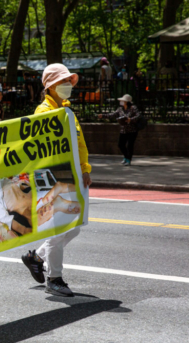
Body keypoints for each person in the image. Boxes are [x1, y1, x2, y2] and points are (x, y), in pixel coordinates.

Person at [21, 63, 92, 297]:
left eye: (68, 81)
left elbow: (79, 144)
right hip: (52, 176)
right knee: (59, 228)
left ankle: (36, 258)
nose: (67, 86)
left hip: (72, 175)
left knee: (74, 228)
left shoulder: (67, 110)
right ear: (49, 86)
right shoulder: (43, 112)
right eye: (62, 82)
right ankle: (54, 278)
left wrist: (85, 168)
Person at [98, 94, 142, 166]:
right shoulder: (120, 109)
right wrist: (103, 115)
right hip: (123, 130)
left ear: (127, 101)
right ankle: (126, 157)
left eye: (123, 100)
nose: (121, 101)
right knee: (120, 145)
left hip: (132, 130)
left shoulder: (133, 108)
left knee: (130, 145)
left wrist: (130, 119)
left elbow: (138, 115)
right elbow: (112, 115)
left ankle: (128, 160)